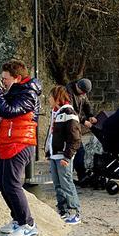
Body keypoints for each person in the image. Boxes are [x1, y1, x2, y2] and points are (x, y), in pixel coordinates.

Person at [0, 60, 41, 236]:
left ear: (17, 78)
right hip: (8, 143)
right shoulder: (15, 91)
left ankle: (28, 224)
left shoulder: (28, 93)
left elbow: (9, 111)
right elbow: (1, 109)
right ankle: (18, 220)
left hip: (19, 143)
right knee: (3, 184)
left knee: (12, 184)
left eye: (5, 79)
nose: (2, 82)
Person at [45, 85, 82, 224]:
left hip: (63, 156)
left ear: (57, 97)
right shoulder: (56, 113)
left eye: (50, 96)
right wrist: (49, 151)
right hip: (55, 155)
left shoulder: (69, 113)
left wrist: (67, 156)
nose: (48, 99)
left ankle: (75, 212)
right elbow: (52, 135)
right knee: (58, 185)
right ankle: (63, 210)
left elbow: (75, 138)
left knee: (67, 184)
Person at [67, 78, 96, 183]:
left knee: (79, 150)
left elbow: (86, 104)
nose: (83, 94)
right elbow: (70, 111)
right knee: (78, 149)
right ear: (78, 86)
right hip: (68, 124)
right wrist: (84, 121)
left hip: (75, 125)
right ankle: (79, 175)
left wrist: (90, 115)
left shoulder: (82, 93)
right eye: (82, 92)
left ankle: (81, 175)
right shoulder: (68, 92)